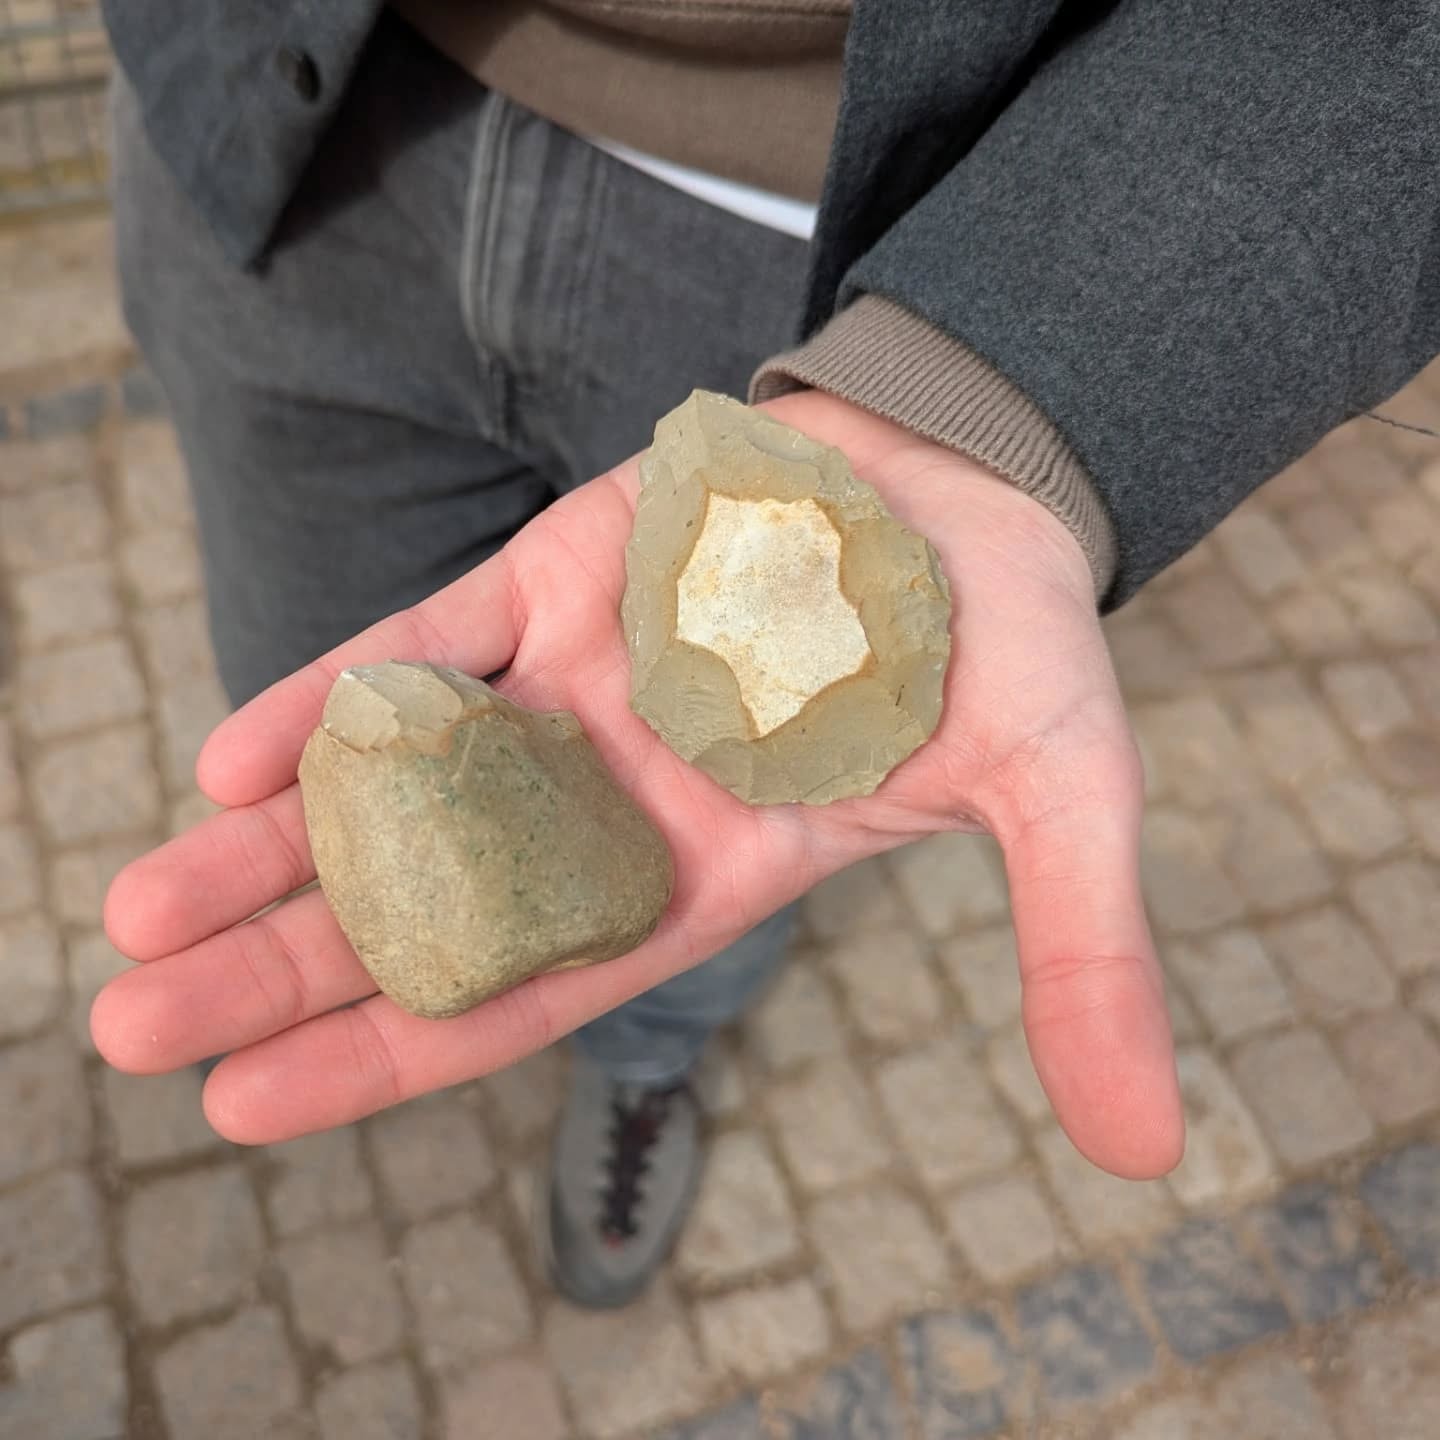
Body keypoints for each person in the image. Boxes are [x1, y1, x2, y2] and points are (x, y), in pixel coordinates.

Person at [94, 0, 1437, 1309]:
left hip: (849, 210)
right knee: (293, 689)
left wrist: (1030, 372)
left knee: (717, 854)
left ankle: (650, 1058)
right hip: (279, 112)